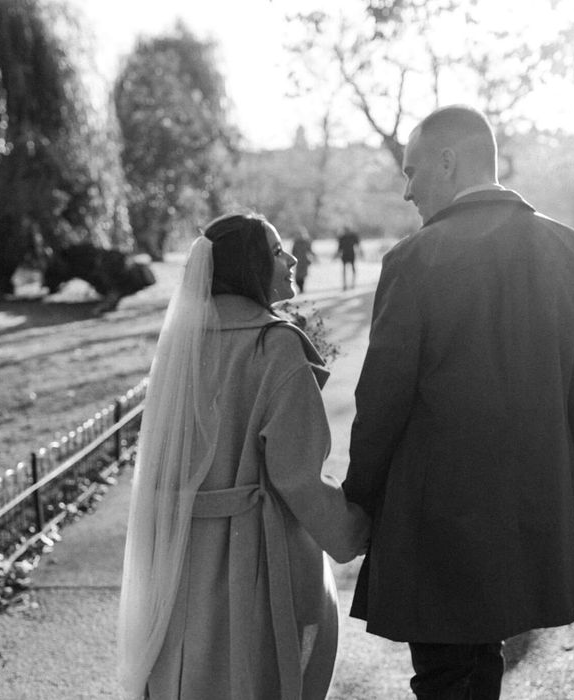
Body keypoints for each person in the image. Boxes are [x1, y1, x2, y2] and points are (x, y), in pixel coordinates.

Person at [343, 106, 574, 699]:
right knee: (481, 664)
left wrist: (360, 498)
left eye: (412, 172)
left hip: (435, 514)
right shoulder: (572, 253)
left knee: (444, 675)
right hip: (529, 507)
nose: (407, 189)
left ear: (448, 161)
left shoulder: (413, 261)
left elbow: (381, 400)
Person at [117, 212, 370, 700]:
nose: (294, 258)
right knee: (256, 676)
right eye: (277, 251)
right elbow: (298, 476)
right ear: (248, 266)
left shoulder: (181, 346)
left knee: (190, 673)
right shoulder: (273, 344)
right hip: (255, 549)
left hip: (178, 551)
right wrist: (355, 530)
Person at [291, 227, 315, 293]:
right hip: (298, 260)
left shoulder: (307, 242)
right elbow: (293, 252)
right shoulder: (296, 242)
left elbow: (310, 251)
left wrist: (314, 258)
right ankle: (300, 288)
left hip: (305, 260)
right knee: (297, 276)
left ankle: (302, 289)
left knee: (303, 275)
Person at [336, 226, 361, 290]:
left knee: (352, 269)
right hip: (346, 255)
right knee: (345, 270)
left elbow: (357, 245)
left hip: (350, 254)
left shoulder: (352, 236)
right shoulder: (343, 237)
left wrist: (360, 252)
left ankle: (352, 284)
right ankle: (345, 284)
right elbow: (339, 248)